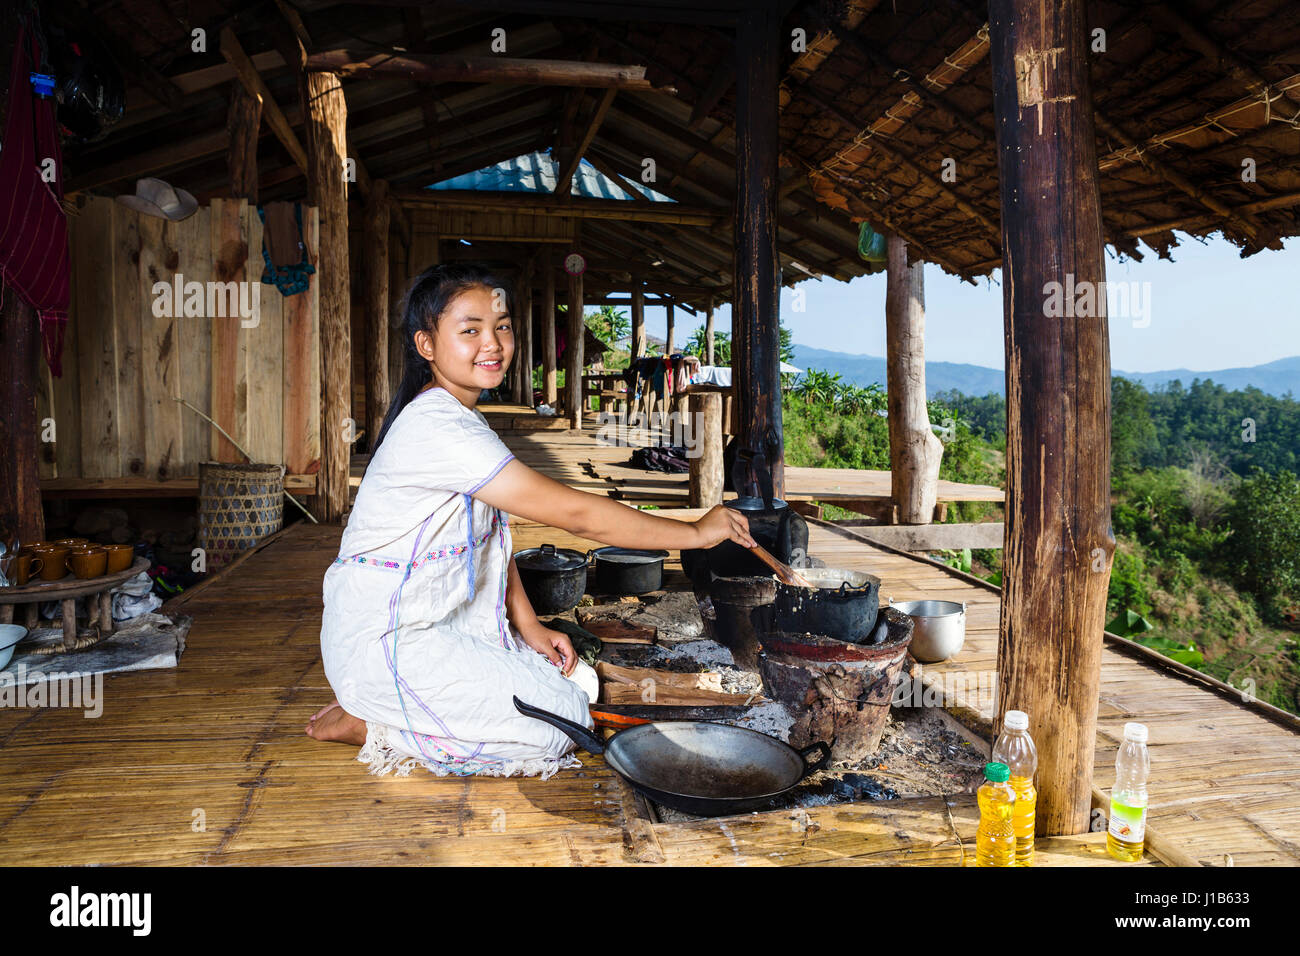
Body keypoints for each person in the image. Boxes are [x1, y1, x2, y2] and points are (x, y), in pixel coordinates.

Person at [306, 263, 755, 778]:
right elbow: (576, 514)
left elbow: (490, 539)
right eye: (469, 330)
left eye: (501, 326)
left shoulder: (460, 418)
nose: (492, 343)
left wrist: (529, 625)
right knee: (558, 727)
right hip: (388, 639)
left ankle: (403, 708)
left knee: (579, 685)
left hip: (436, 624)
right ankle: (374, 725)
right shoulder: (436, 425)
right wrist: (696, 534)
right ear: (426, 345)